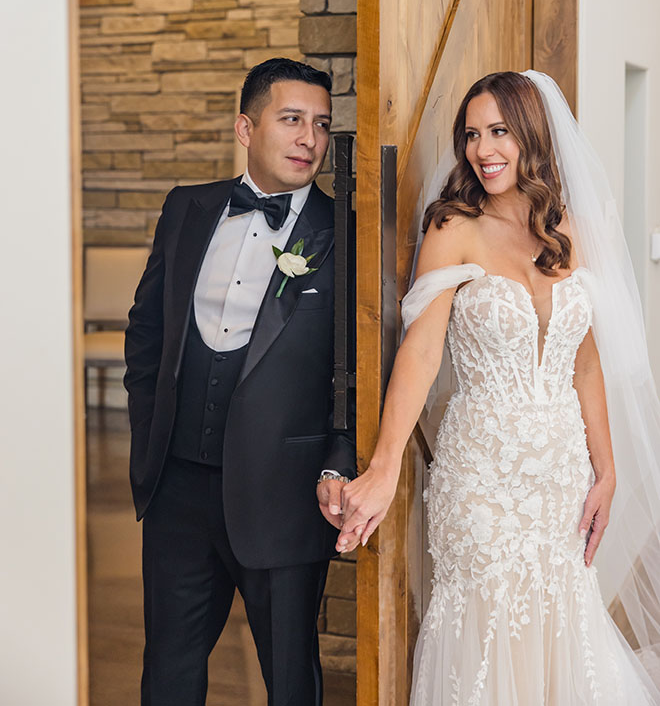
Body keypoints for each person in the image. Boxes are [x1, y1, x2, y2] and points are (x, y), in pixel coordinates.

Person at [337, 70, 660, 704]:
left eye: (499, 131)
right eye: (471, 135)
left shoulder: (572, 228)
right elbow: (422, 351)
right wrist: (383, 466)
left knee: (563, 619)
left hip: (562, 474)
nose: (483, 150)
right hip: (481, 474)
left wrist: (607, 467)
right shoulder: (453, 227)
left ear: (532, 134)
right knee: (487, 631)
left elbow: (585, 359)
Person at [124, 57, 356, 706]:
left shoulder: (344, 234)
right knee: (167, 674)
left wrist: (338, 464)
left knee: (290, 680)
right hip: (176, 492)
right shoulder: (187, 209)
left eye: (320, 124)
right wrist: (151, 446)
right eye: (291, 120)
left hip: (283, 497)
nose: (309, 138)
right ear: (245, 128)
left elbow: (357, 374)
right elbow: (146, 338)